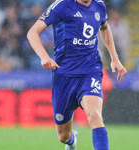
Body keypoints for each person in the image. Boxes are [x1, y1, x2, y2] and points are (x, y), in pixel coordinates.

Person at [27, 0, 127, 150]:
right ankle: (72, 142)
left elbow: (104, 27)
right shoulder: (62, 5)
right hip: (64, 75)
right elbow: (32, 32)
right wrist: (44, 56)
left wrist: (115, 58)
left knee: (94, 115)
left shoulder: (99, 5)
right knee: (63, 136)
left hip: (90, 71)